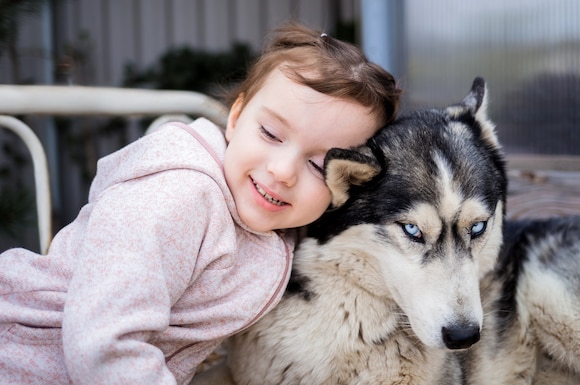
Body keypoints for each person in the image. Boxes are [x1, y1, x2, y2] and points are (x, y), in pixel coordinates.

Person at [0, 21, 400, 385]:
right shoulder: (176, 198)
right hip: (28, 357)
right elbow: (104, 341)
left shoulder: (287, 224)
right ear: (236, 115)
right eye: (271, 134)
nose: (282, 171)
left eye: (317, 165)